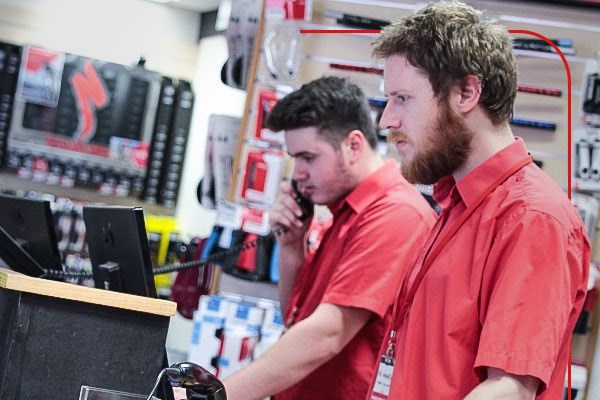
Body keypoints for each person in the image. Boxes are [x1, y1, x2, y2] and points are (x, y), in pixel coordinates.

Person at [366, 2, 591, 399]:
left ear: (467, 92)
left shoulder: (532, 218)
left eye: (403, 98)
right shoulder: (458, 202)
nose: (387, 120)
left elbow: (509, 390)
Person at [222, 76, 436, 400]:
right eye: (295, 159)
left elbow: (328, 332)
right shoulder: (343, 211)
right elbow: (299, 321)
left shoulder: (395, 214)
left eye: (308, 157)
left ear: (353, 145)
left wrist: (218, 395)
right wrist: (292, 246)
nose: (297, 174)